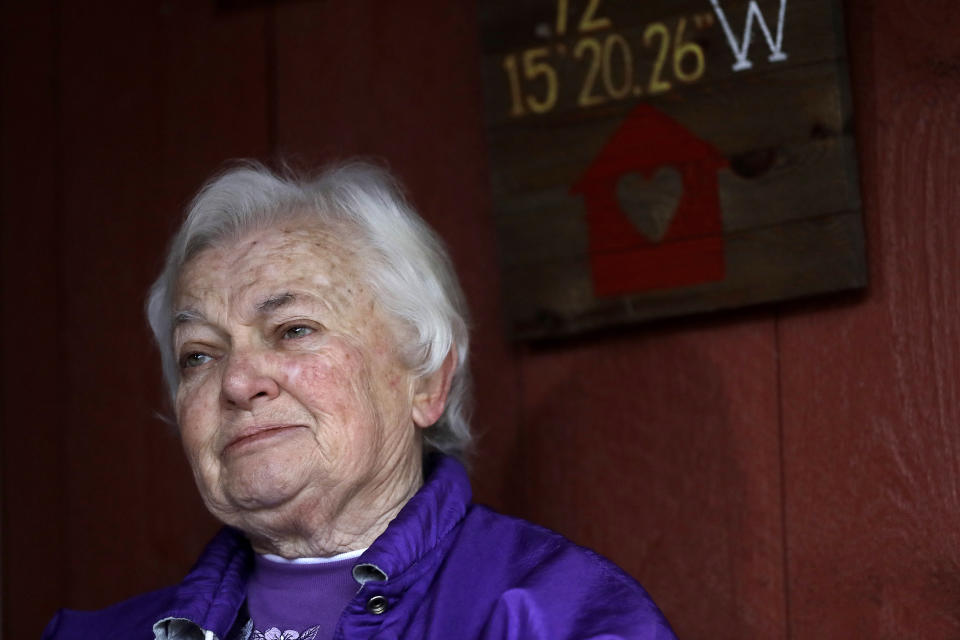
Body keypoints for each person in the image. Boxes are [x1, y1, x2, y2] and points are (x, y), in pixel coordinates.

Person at [43, 162, 677, 640]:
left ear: (426, 382)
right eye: (199, 355)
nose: (237, 383)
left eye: (293, 330)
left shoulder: (555, 619)